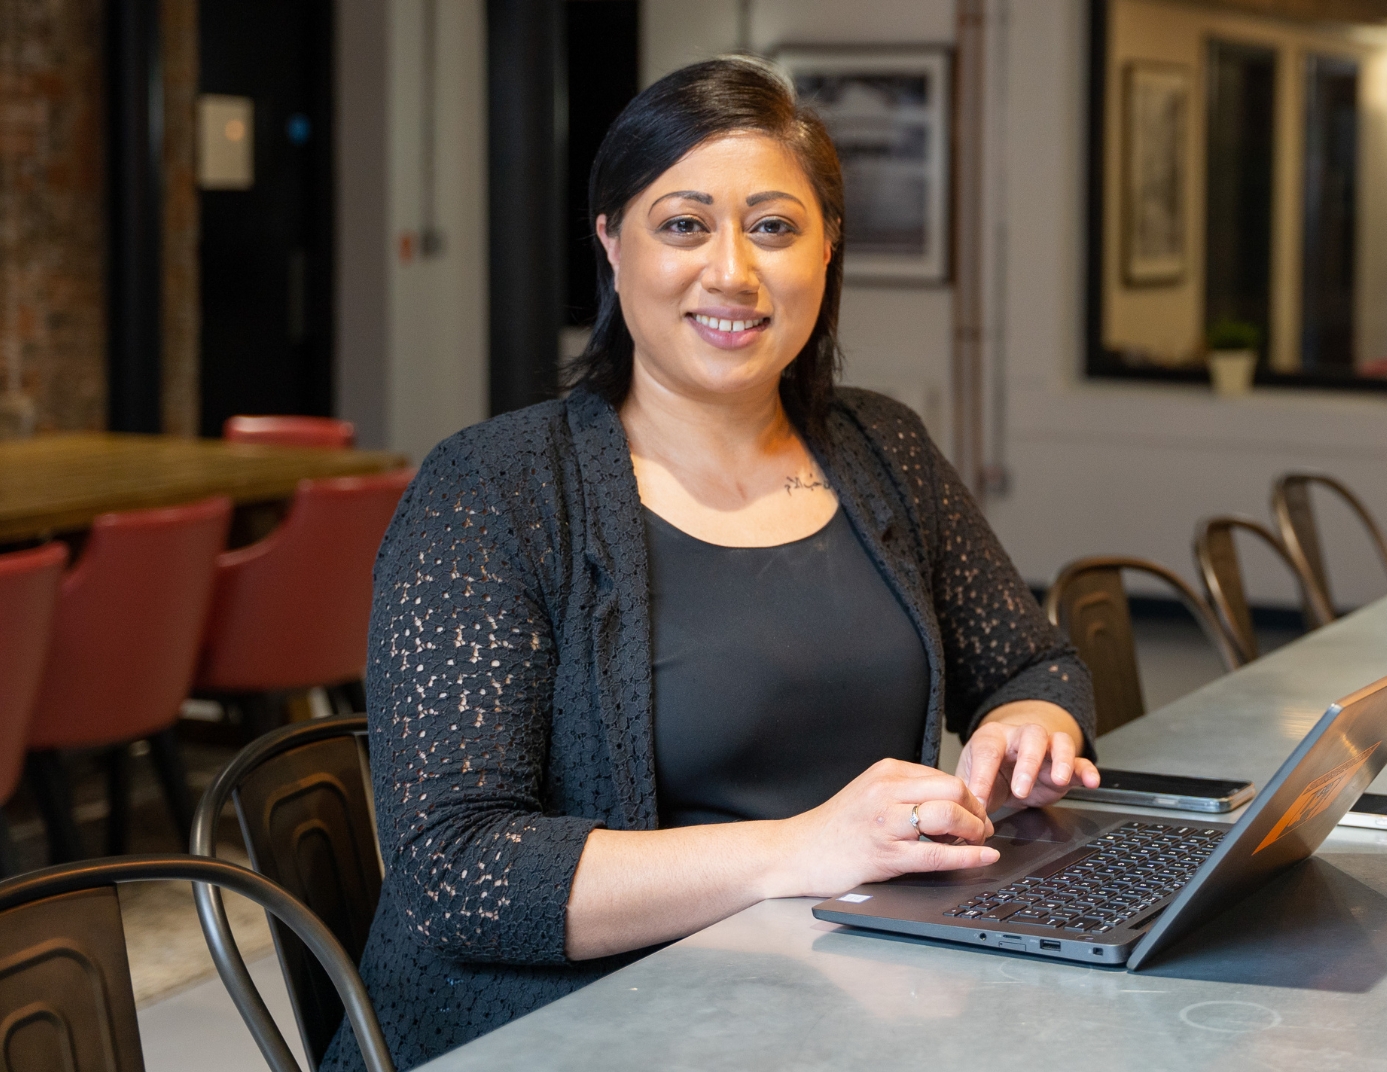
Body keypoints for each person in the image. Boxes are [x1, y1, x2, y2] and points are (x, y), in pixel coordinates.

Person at [326, 58, 1098, 1070]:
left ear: (828, 249)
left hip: (824, 1005)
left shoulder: (882, 447)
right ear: (612, 244)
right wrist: (803, 850)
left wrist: (1028, 725)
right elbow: (459, 874)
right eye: (683, 225)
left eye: (773, 227)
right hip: (556, 1033)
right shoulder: (494, 488)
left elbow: (1035, 662)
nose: (732, 271)